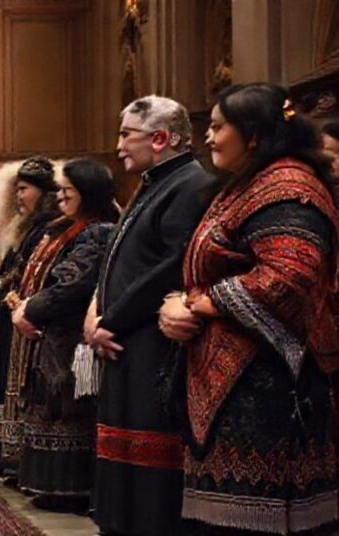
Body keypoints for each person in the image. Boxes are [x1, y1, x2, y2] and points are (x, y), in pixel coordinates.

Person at [160, 83, 339, 535]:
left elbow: (287, 276)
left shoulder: (289, 185)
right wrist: (179, 301)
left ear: (254, 135)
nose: (208, 137)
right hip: (233, 385)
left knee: (254, 520)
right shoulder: (246, 183)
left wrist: (202, 303)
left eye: (218, 127)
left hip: (269, 386)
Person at [87, 95, 215, 535]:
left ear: (160, 138)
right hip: (127, 338)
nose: (119, 146)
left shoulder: (189, 185)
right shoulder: (156, 182)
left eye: (127, 135)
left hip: (151, 343)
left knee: (149, 461)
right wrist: (98, 315)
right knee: (123, 454)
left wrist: (111, 320)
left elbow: (171, 265)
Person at [10, 158, 119, 510]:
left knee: (70, 411)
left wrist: (30, 308)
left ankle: (70, 490)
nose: (60, 197)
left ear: (87, 192)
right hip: (54, 337)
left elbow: (73, 285)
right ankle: (51, 487)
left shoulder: (97, 232)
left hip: (73, 340)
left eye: (67, 191)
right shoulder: (67, 229)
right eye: (60, 191)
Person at [0, 156, 61, 478]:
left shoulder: (47, 229)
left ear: (43, 192)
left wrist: (11, 295)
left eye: (24, 189)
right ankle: (6, 457)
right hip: (8, 322)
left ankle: (18, 460)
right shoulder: (23, 227)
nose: (18, 196)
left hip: (27, 325)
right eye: (15, 190)